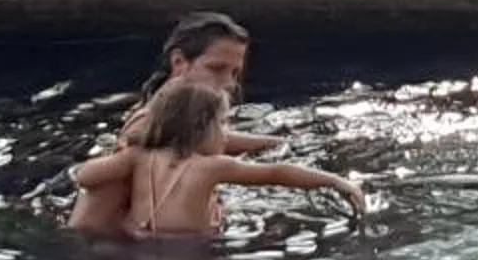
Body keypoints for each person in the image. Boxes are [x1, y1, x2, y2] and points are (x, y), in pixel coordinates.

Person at [67, 14, 284, 236]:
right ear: (178, 62)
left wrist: (276, 142)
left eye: (235, 73)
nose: (229, 83)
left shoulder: (165, 114)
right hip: (128, 250)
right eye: (216, 69)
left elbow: (205, 137)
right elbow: (93, 217)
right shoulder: (142, 131)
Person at [69, 79, 365, 239]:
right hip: (189, 248)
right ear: (201, 128)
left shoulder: (138, 156)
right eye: (222, 124)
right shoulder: (213, 167)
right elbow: (277, 172)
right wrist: (336, 181)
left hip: (136, 239)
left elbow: (84, 177)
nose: (225, 134)